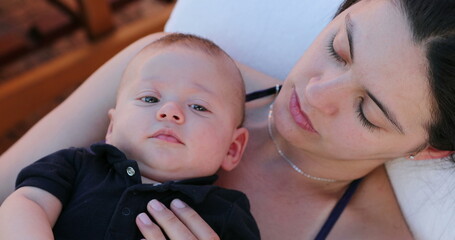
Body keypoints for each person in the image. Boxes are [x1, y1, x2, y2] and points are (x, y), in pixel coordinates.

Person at [1, 0, 455, 239]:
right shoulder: (164, 74)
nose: (315, 94)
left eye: (367, 111)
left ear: (429, 151)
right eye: (339, 49)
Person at [0, 33, 260, 240]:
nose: (170, 112)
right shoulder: (76, 166)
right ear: (111, 127)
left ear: (232, 149)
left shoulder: (227, 214)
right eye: (150, 98)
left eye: (199, 106)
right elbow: (25, 203)